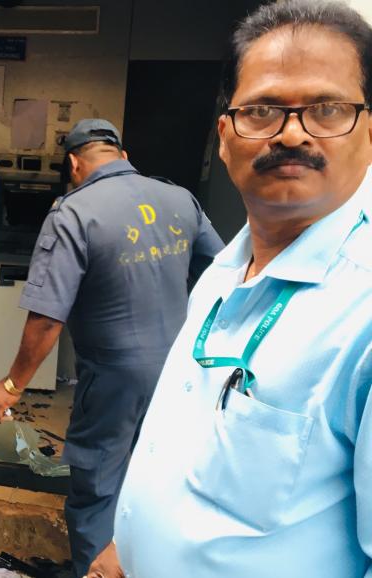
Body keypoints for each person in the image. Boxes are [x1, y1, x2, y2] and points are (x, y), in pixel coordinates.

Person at [88, 1, 372, 577]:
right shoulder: (222, 271)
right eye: (262, 110)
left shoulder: (360, 315)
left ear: (369, 131)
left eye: (327, 109)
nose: (291, 133)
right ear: (225, 136)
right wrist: (125, 546)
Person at [0, 118, 224, 577]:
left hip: (114, 377)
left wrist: (11, 385)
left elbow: (47, 318)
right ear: (124, 156)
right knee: (157, 473)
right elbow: (223, 273)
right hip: (179, 370)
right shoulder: (179, 198)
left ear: (73, 164)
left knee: (97, 484)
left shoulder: (73, 213)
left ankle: (93, 570)